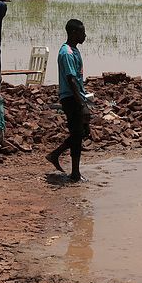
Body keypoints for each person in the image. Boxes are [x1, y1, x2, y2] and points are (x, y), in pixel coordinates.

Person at [47, 19, 90, 182]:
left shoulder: (74, 50)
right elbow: (71, 79)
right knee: (77, 134)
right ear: (73, 33)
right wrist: (81, 103)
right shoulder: (67, 53)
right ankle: (75, 173)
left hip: (77, 96)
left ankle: (56, 154)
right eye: (82, 32)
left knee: (81, 132)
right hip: (71, 98)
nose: (84, 35)